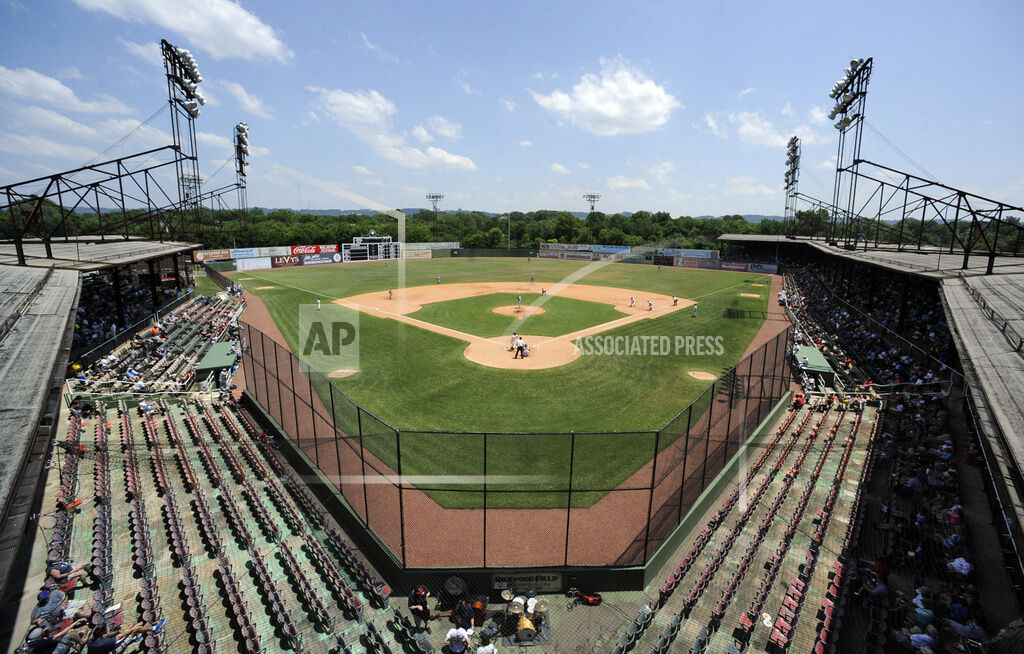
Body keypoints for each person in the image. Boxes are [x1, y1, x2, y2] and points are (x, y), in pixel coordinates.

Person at [86, 619, 164, 654]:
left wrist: (118, 631)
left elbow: (106, 635)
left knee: (133, 626)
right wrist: (131, 629)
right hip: (115, 650)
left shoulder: (90, 640)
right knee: (135, 628)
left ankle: (136, 636)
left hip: (108, 647)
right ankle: (154, 629)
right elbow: (121, 637)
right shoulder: (105, 642)